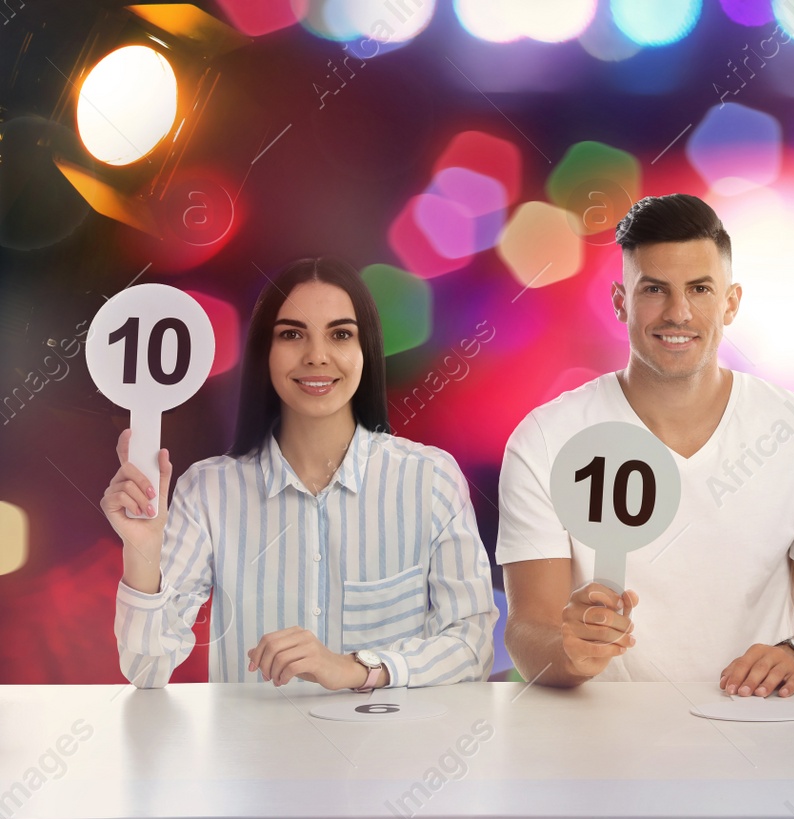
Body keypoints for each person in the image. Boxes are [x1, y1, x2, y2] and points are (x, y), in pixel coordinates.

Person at [497, 194, 794, 696]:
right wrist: (571, 653)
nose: (678, 312)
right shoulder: (545, 439)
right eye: (653, 289)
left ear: (730, 302)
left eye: (699, 288)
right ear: (620, 301)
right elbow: (526, 628)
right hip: (594, 738)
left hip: (753, 725)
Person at [102, 258, 498, 690]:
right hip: (251, 754)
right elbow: (145, 669)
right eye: (292, 334)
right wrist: (142, 551)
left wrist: (357, 669)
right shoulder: (208, 491)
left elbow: (471, 647)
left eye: (341, 334)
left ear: (366, 351)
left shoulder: (430, 480)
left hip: (391, 753)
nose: (317, 356)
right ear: (264, 353)